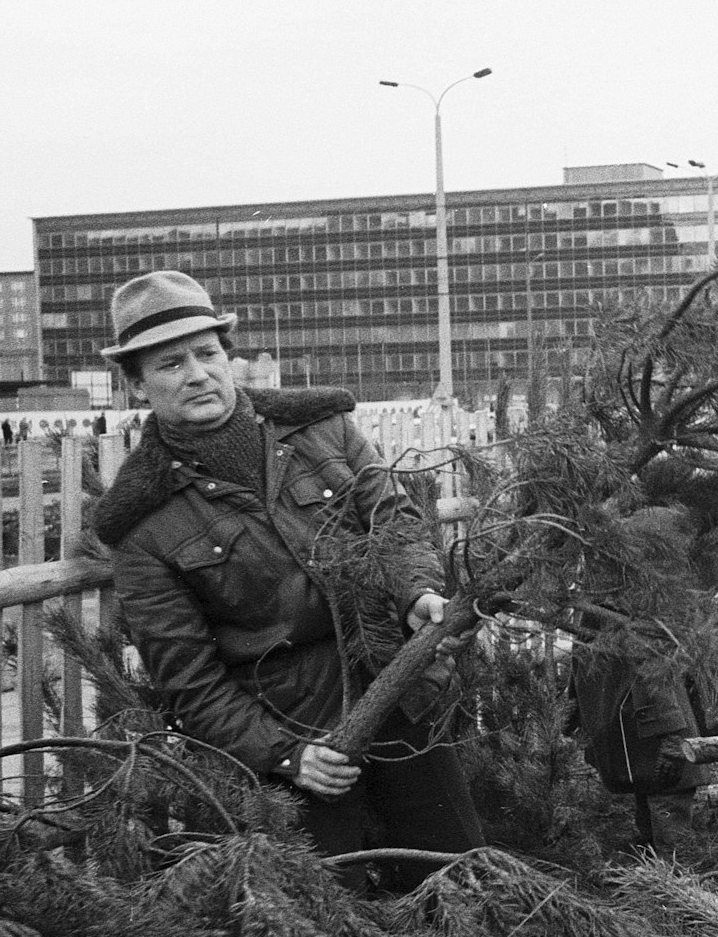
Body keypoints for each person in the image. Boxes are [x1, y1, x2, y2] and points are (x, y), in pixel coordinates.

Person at [92, 271, 481, 889]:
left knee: (456, 883)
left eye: (207, 353)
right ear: (137, 384)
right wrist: (288, 756)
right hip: (297, 742)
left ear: (230, 358)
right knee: (341, 924)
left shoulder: (322, 431)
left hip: (401, 695)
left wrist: (417, 594)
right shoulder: (142, 527)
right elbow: (190, 684)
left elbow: (395, 522)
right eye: (170, 364)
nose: (197, 373)